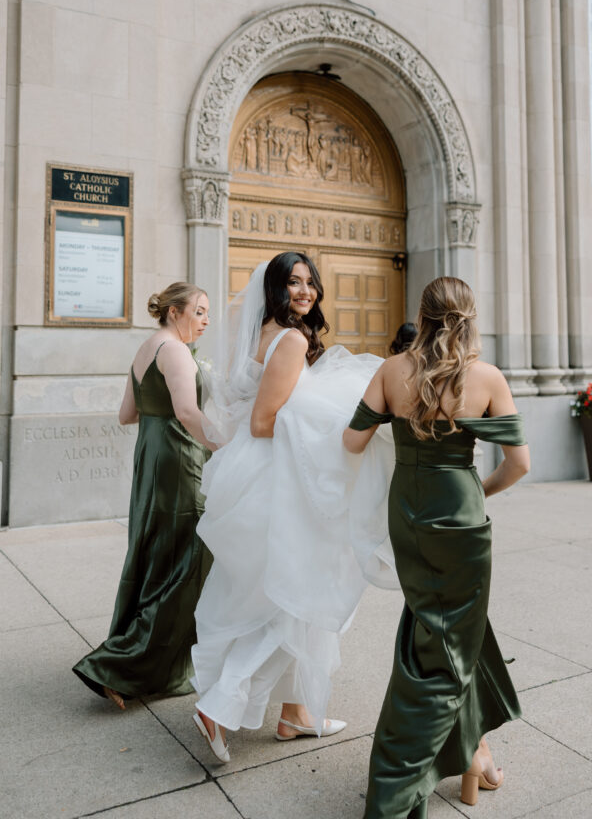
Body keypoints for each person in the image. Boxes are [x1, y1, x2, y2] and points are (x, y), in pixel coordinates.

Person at [190, 251, 396, 763]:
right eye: (294, 283)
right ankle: (220, 703)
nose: (305, 292)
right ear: (275, 290)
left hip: (259, 475)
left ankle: (296, 714)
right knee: (295, 599)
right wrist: (332, 431)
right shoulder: (291, 340)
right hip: (277, 481)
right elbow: (264, 421)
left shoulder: (262, 335)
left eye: (310, 283)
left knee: (289, 596)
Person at [343, 276, 530, 817]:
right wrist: (477, 492)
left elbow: (351, 442)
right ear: (471, 317)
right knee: (444, 654)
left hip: (408, 512)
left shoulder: (391, 370)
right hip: (462, 516)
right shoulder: (487, 377)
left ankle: (475, 753)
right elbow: (519, 465)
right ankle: (394, 793)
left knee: (442, 632)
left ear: (421, 316)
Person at [73, 283, 215, 709]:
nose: (206, 320)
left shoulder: (145, 348)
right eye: (200, 311)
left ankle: (132, 656)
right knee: (186, 560)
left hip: (152, 459)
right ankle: (121, 666)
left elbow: (126, 414)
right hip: (179, 461)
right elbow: (188, 412)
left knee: (157, 555)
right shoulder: (173, 351)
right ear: (174, 312)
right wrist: (226, 447)